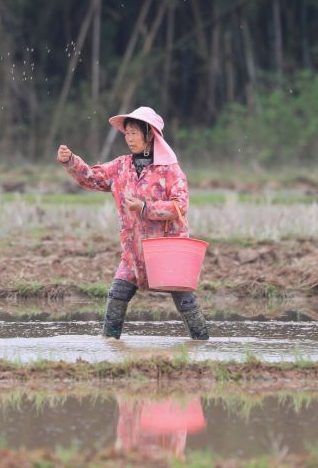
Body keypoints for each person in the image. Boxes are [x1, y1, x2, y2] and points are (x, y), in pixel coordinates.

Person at [56, 106, 209, 340]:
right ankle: (109, 343)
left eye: (134, 133)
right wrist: (71, 162)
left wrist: (145, 208)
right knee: (117, 294)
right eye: (126, 133)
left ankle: (202, 342)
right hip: (133, 250)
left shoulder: (169, 170)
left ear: (150, 135)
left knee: (184, 298)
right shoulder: (121, 166)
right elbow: (92, 178)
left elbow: (180, 205)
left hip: (166, 249)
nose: (129, 138)